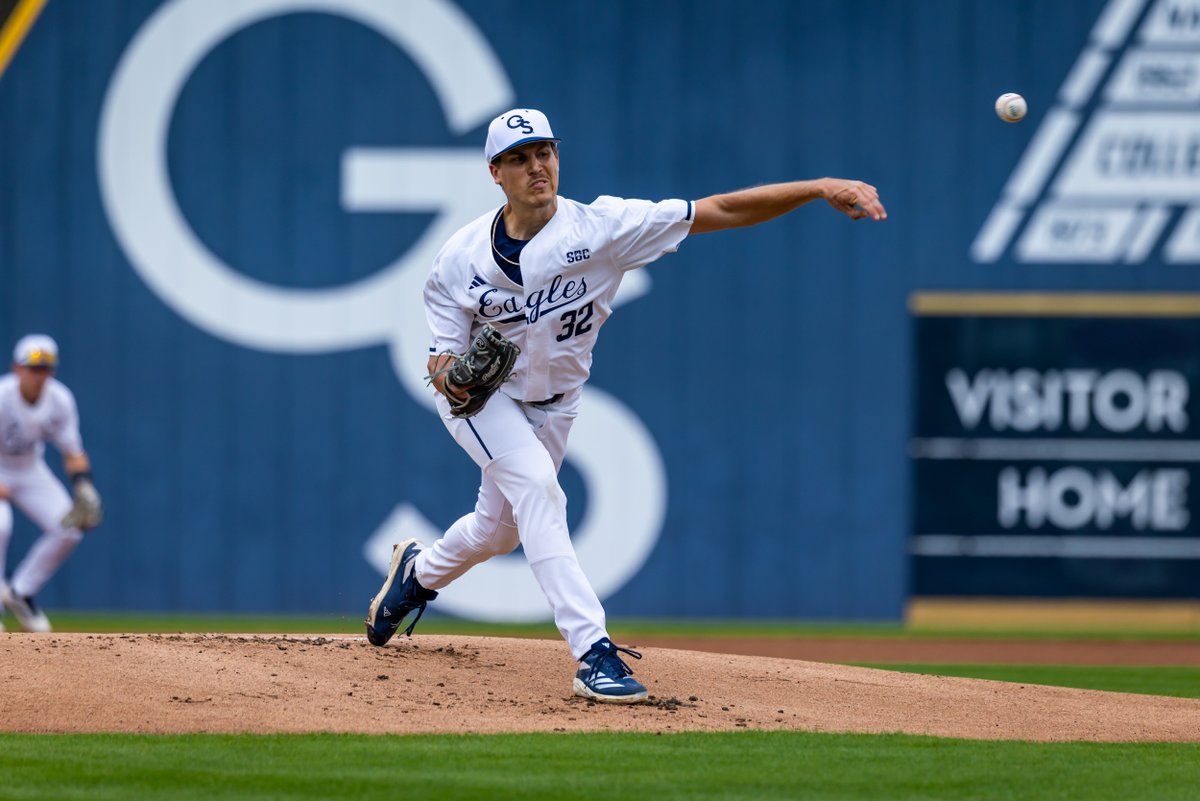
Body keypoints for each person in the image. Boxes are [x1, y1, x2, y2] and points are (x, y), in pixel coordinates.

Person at [365, 108, 886, 702]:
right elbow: (442, 367)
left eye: (545, 152)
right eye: (519, 157)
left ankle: (417, 575)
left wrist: (818, 188)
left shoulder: (604, 229)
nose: (536, 165)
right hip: (489, 402)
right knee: (538, 487)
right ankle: (593, 653)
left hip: (557, 405)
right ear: (495, 172)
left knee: (498, 532)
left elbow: (722, 209)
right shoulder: (458, 259)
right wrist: (454, 380)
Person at [0, 334, 103, 632]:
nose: (38, 375)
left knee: (69, 527)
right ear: (16, 368)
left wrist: (84, 486)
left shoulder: (59, 399)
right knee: (1, 525)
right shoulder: (3, 396)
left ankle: (21, 592)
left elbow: (73, 452)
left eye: (44, 368)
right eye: (32, 368)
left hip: (30, 467)